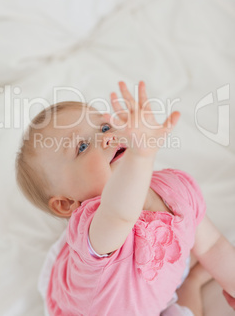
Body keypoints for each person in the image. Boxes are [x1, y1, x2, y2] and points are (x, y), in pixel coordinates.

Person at [16, 81, 235, 315]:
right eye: (82, 146)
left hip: (153, 289)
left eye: (104, 127)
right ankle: (193, 281)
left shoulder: (176, 190)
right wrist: (140, 157)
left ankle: (191, 280)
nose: (107, 138)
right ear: (67, 203)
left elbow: (212, 246)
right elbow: (120, 213)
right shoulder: (96, 226)